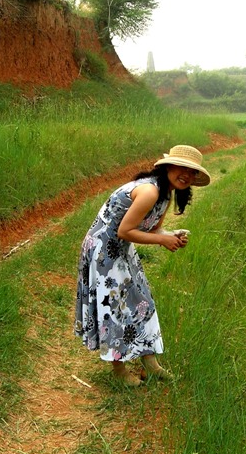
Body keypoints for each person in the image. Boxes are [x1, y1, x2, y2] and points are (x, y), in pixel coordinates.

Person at [74, 145, 211, 386]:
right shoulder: (149, 191)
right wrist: (162, 240)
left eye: (192, 172)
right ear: (168, 166)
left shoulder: (165, 194)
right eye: (182, 167)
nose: (186, 175)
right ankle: (119, 372)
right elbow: (124, 230)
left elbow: (151, 228)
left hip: (121, 249)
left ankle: (151, 365)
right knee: (116, 308)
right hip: (103, 250)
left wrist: (171, 234)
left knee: (142, 302)